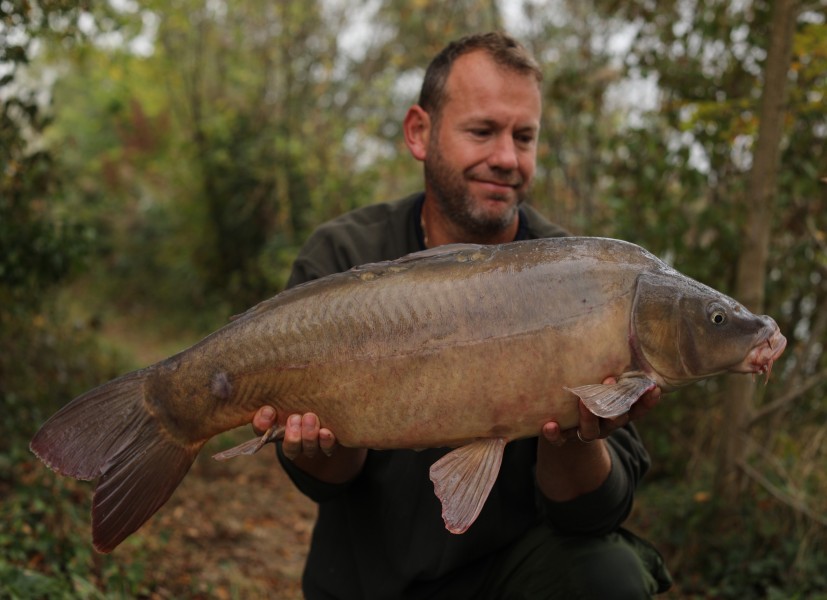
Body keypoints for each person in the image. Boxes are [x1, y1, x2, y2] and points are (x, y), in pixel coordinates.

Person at [252, 32, 673, 599]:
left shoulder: (585, 279)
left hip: (512, 577)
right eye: (483, 131)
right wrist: (330, 439)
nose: (506, 158)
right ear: (419, 133)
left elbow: (594, 515)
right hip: (367, 579)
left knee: (611, 575)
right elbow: (322, 482)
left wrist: (574, 431)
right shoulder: (345, 258)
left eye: (524, 137)